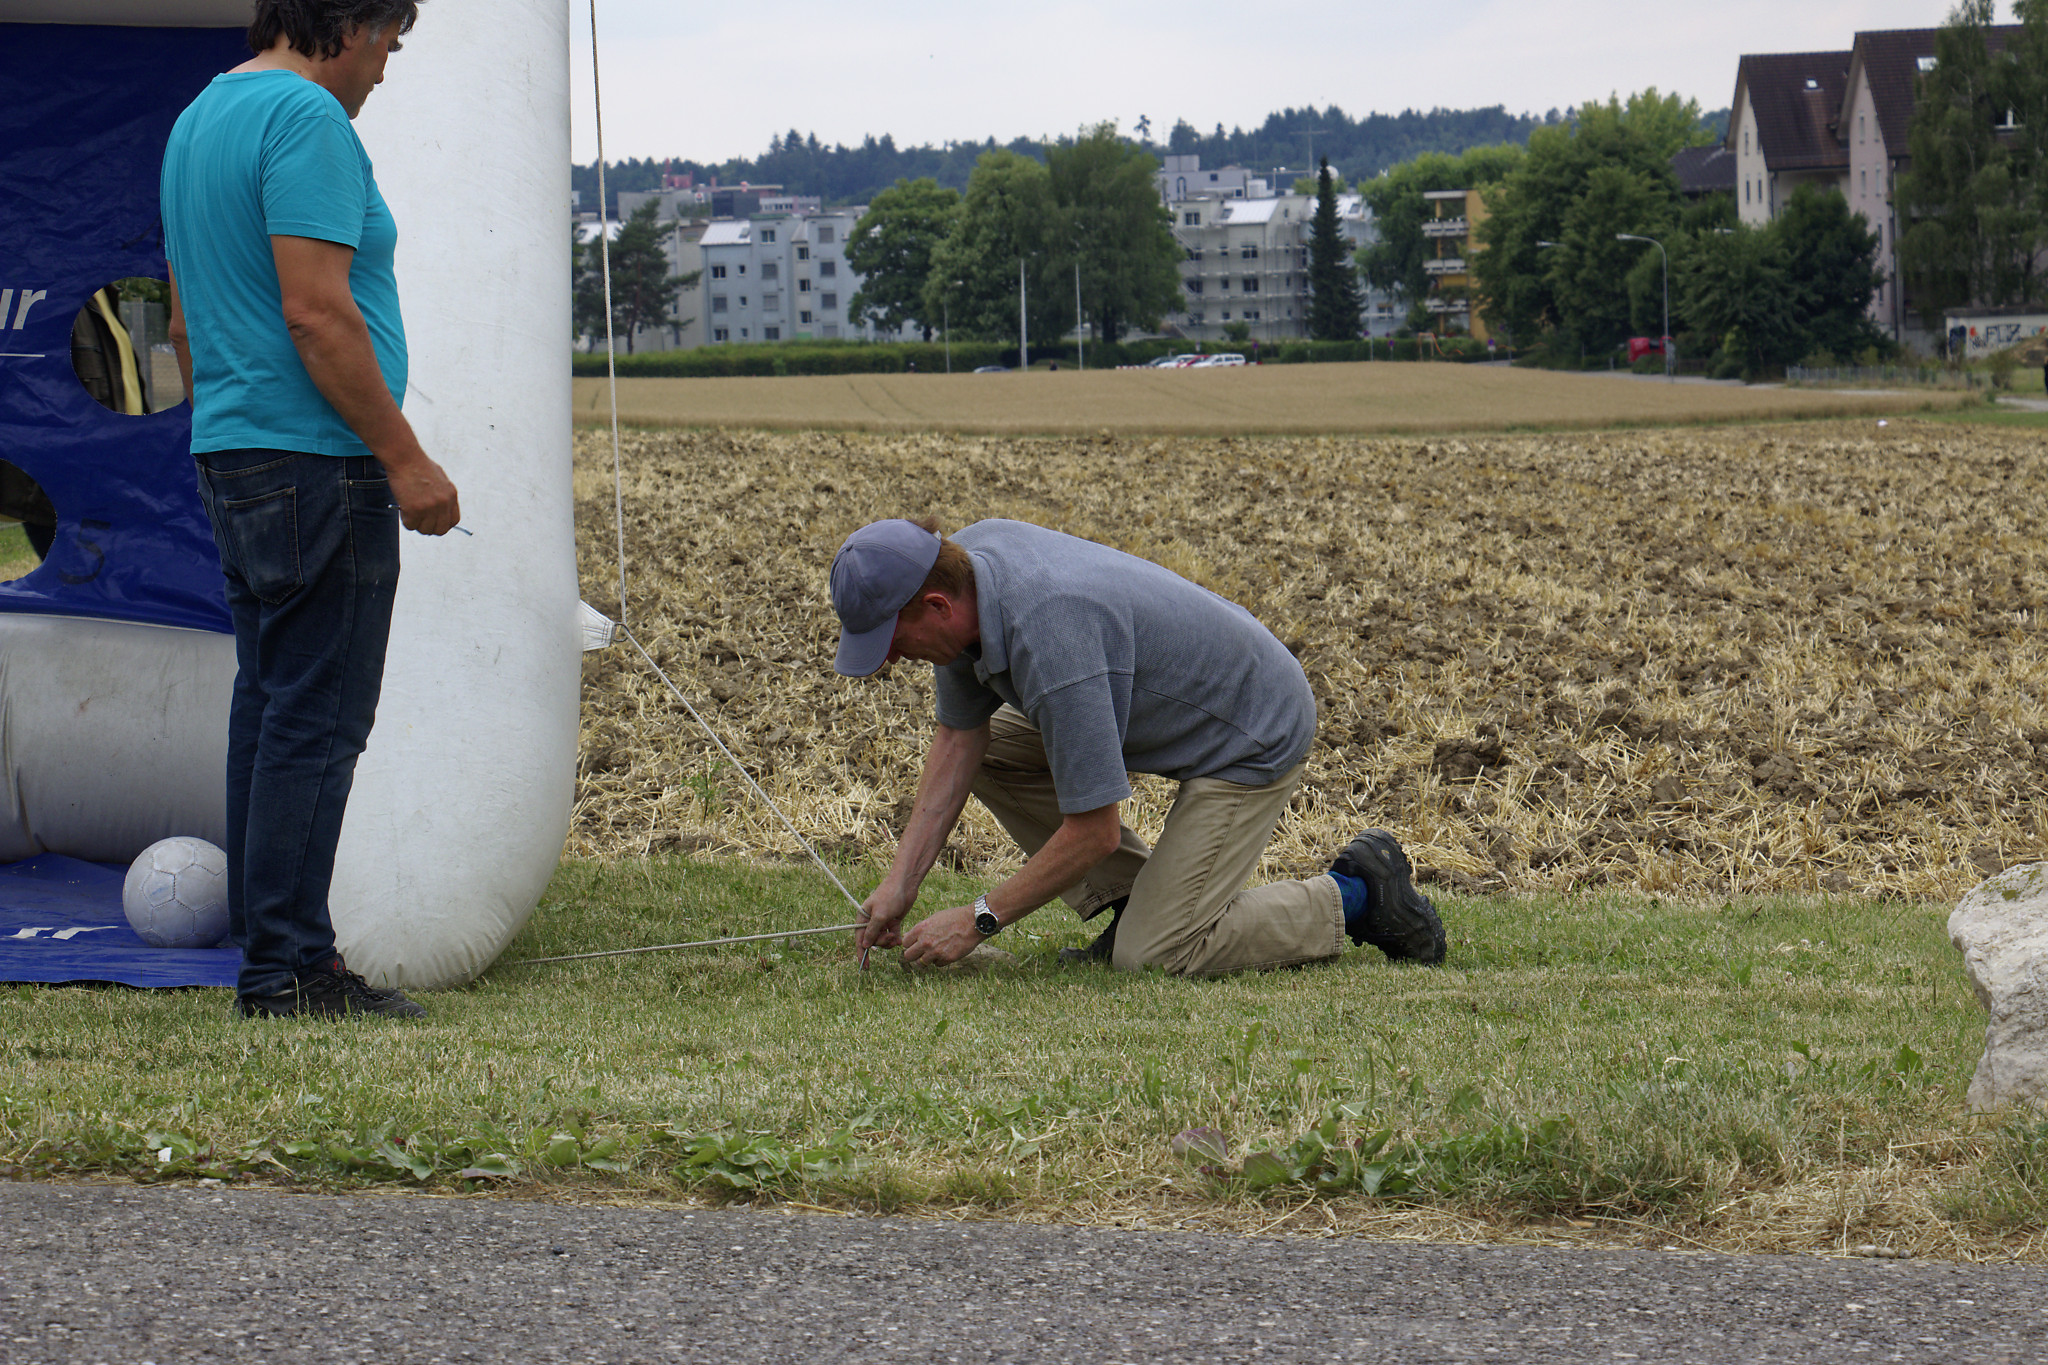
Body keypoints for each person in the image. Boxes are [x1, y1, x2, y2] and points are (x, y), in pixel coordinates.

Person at [161, 0, 460, 1018]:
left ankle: (269, 950)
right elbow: (318, 312)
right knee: (318, 717)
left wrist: (229, 424)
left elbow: (183, 319)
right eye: (390, 44)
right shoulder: (306, 119)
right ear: (352, 23)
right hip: (319, 459)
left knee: (268, 702)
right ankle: (290, 968)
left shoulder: (201, 115)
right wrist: (405, 458)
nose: (384, 70)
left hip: (234, 447)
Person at [835, 517, 1446, 974]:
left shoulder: (1050, 635)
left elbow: (1093, 832)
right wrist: (900, 884)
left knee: (1154, 954)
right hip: (1170, 702)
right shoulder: (963, 575)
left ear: (937, 605)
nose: (890, 659)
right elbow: (960, 739)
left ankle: (1360, 893)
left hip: (1251, 731)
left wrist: (978, 919)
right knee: (993, 756)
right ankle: (1140, 904)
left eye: (893, 640)